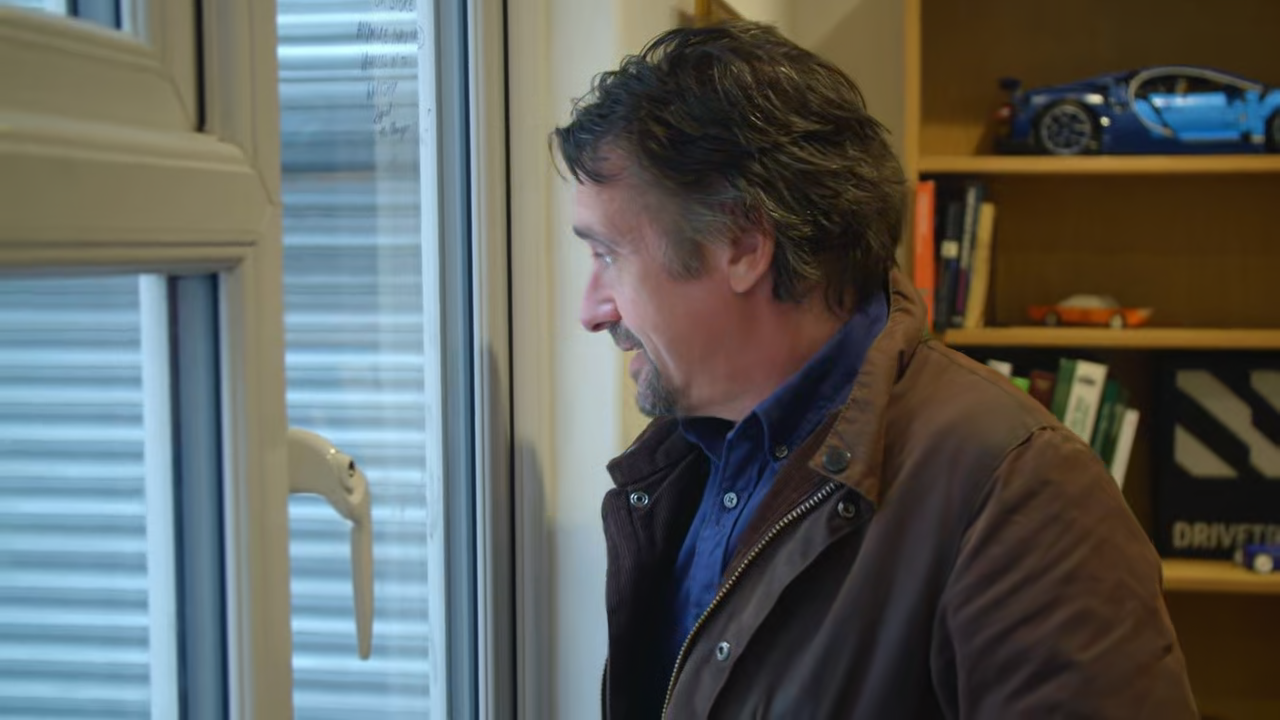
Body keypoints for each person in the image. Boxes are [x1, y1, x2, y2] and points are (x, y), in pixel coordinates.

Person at [553, 20, 1199, 720]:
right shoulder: (684, 468)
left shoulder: (1019, 489)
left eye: (608, 255)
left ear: (742, 243)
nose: (591, 311)